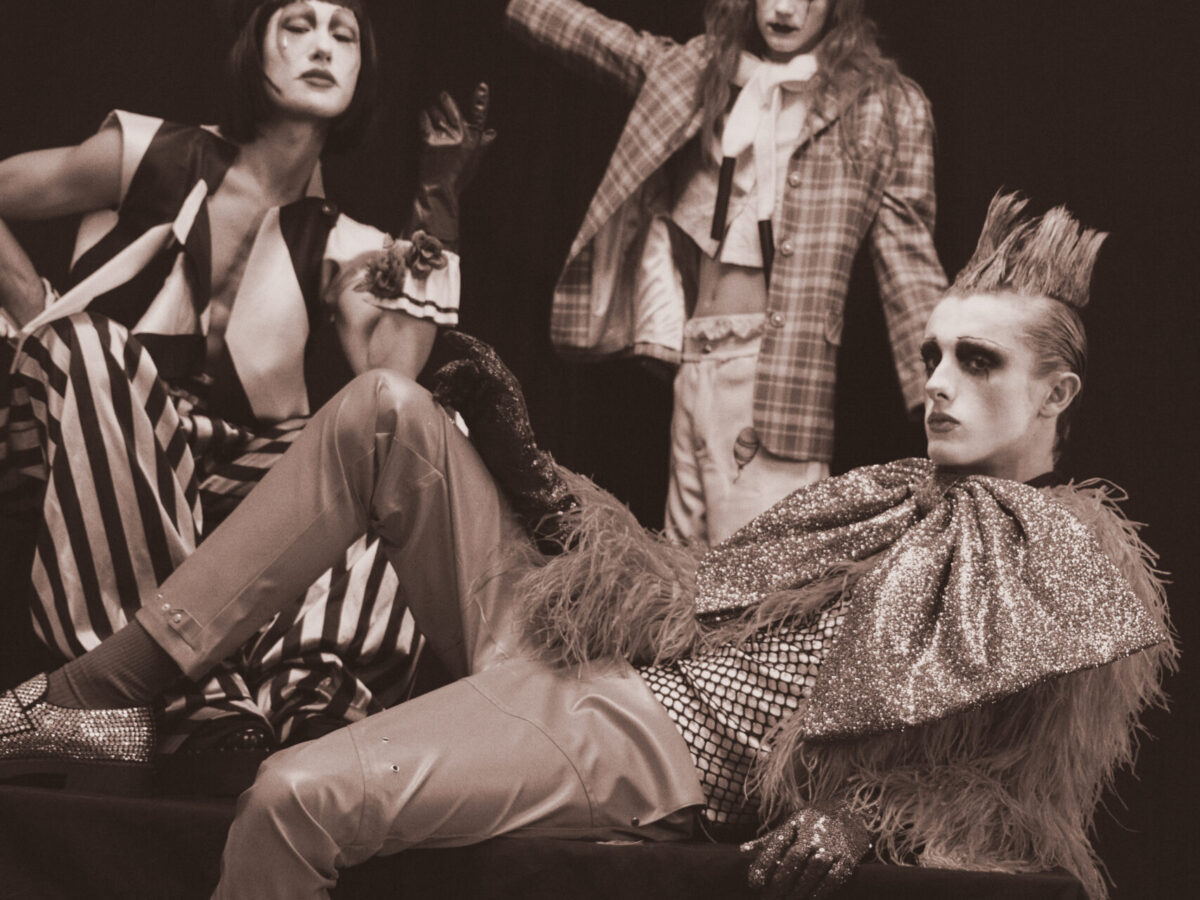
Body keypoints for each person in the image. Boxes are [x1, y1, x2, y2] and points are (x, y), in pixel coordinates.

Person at [0, 193, 1175, 899]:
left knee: (293, 797)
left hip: (648, 738)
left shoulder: (1072, 564)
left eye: (978, 361)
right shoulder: (880, 491)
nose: (937, 384)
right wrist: (520, 458)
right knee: (383, 412)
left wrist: (860, 823)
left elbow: (1005, 789)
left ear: (1057, 393)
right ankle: (92, 702)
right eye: (933, 355)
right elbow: (678, 594)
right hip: (591, 650)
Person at [0, 0, 492, 751]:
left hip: (224, 467)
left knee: (411, 440)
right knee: (88, 344)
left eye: (343, 33)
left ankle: (313, 700)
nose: (322, 46)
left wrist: (440, 200)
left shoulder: (345, 242)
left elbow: (389, 386)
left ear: (363, 71)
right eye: (298, 24)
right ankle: (134, 686)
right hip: (84, 427)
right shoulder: (148, 152)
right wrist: (35, 307)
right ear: (252, 47)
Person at [506, 0, 947, 546]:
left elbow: (909, 261)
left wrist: (949, 381)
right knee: (683, 568)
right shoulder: (702, 73)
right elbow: (599, 40)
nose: (784, 8)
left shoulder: (881, 104)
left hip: (776, 374)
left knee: (753, 576)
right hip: (694, 360)